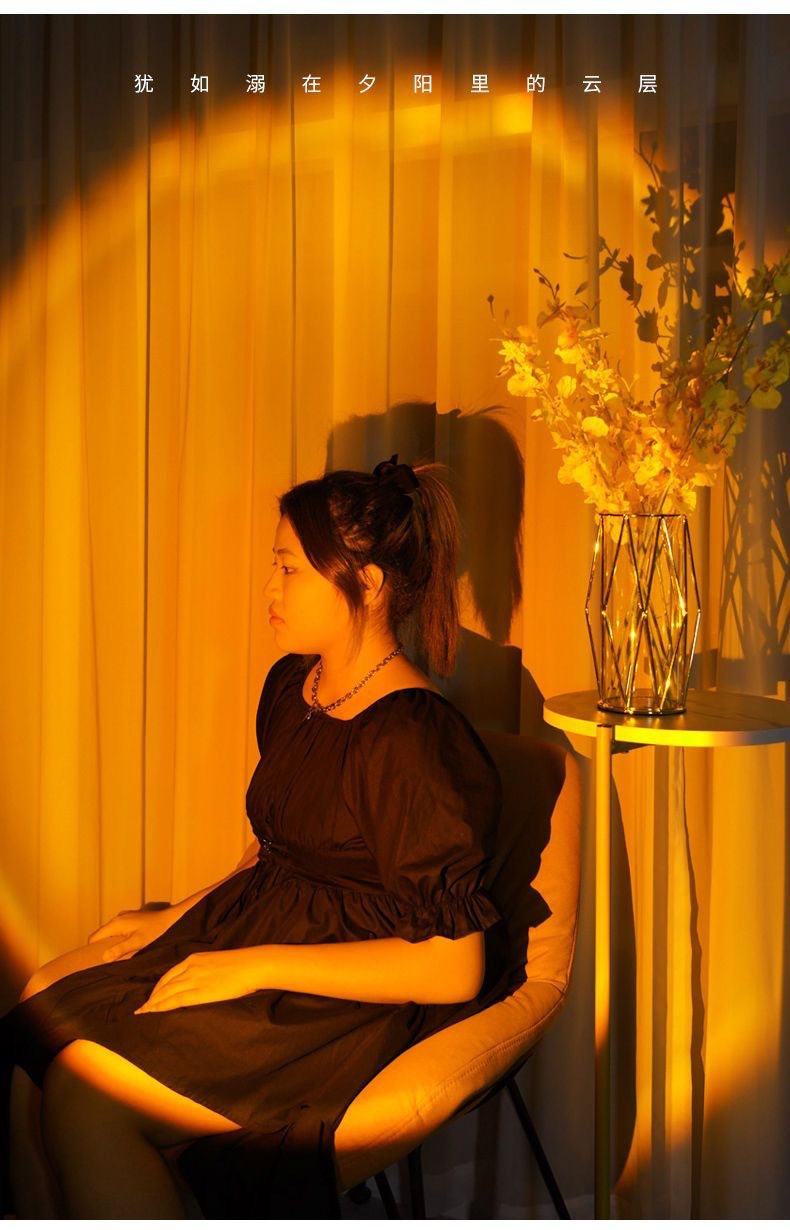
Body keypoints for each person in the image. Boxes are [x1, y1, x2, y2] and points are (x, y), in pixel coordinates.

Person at [0, 455, 508, 1218]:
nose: (269, 589)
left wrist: (251, 967)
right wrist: (177, 918)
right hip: (258, 929)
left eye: (289, 569)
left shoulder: (411, 739)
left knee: (86, 1097)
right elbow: (279, 850)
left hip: (337, 997)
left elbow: (454, 966)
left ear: (368, 584)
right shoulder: (295, 688)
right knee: (34, 1034)